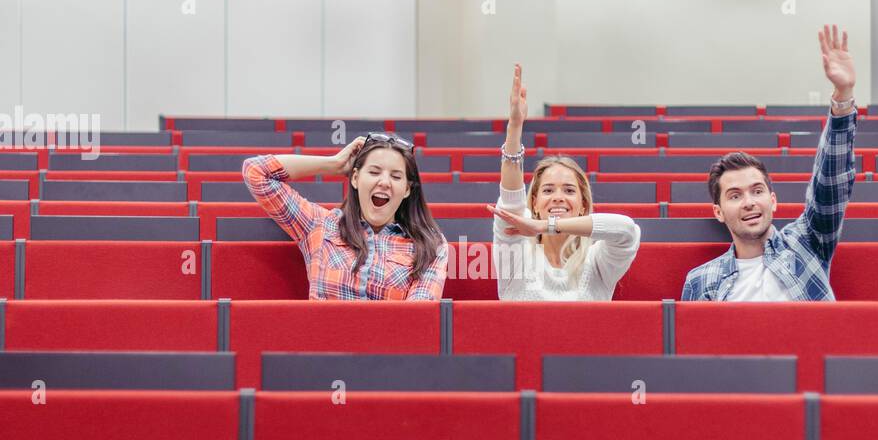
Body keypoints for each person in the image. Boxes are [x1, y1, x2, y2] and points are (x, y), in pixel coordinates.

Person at [681, 25, 858, 302]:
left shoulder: (806, 244)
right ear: (718, 211)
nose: (749, 202)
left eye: (757, 191)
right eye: (735, 195)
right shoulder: (700, 281)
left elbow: (830, 184)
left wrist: (843, 96)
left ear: (773, 200)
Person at [488, 64, 641, 300]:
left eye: (569, 190)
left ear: (582, 205)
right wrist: (515, 127)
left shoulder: (597, 261)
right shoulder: (518, 259)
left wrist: (548, 225)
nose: (558, 196)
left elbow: (627, 231)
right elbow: (510, 205)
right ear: (535, 204)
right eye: (548, 190)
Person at [242, 133, 448, 300]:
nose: (384, 182)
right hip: (321, 346)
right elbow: (256, 172)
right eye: (374, 172)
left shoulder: (430, 244)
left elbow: (417, 319)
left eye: (395, 176)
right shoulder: (320, 225)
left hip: (387, 349)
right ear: (356, 179)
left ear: (406, 190)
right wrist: (334, 164)